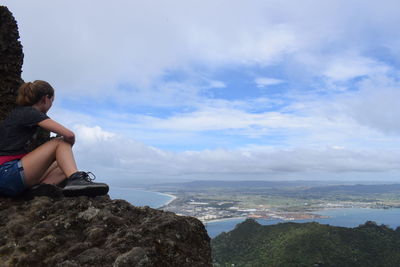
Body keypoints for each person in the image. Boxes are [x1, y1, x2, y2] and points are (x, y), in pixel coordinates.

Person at [0, 80, 109, 198]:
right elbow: (69, 135)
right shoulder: (30, 113)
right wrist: (67, 145)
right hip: (6, 173)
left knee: (63, 166)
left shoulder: (21, 113)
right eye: (52, 101)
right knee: (60, 142)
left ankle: (36, 192)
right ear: (46, 98)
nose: (51, 105)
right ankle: (76, 179)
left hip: (10, 176)